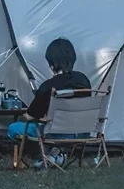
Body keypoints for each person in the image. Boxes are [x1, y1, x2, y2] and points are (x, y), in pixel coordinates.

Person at [7, 38, 91, 166]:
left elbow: (31, 115)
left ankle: (44, 156)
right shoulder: (84, 80)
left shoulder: (48, 86)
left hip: (55, 133)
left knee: (14, 128)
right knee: (49, 126)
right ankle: (56, 154)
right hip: (81, 131)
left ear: (51, 64)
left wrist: (36, 116)